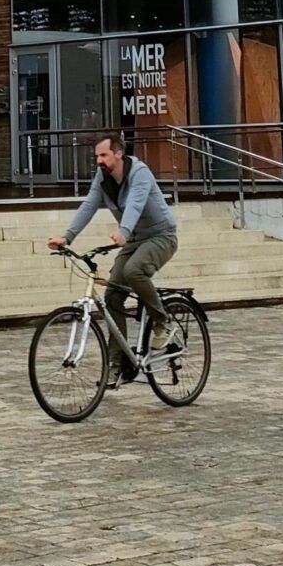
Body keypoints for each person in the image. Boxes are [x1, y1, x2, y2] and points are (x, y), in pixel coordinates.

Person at [48, 134, 179, 383]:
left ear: (118, 153)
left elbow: (136, 204)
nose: (99, 160)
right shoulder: (103, 178)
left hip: (161, 236)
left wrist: (123, 232)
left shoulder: (139, 172)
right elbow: (89, 205)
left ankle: (163, 322)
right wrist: (67, 237)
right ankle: (118, 362)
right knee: (112, 296)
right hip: (134, 240)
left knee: (133, 271)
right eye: (96, 156)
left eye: (103, 155)